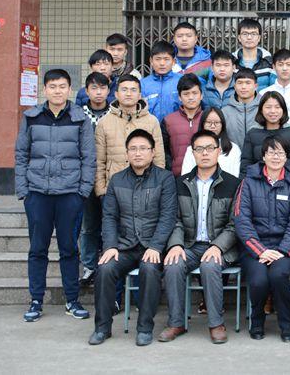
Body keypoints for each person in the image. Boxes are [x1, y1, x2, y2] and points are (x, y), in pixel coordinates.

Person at [15, 69, 96, 323]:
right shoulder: (31, 117)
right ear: (45, 90)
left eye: (62, 86)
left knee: (69, 249)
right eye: (52, 86)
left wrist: (82, 192)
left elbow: (89, 158)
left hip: (70, 194)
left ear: (70, 89)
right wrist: (24, 191)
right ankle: (36, 301)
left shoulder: (80, 118)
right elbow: (21, 155)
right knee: (37, 249)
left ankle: (72, 300)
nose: (57, 91)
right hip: (37, 193)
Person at [89, 130, 177, 346]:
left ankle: (145, 328)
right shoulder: (117, 180)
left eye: (143, 148)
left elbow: (168, 216)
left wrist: (156, 246)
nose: (138, 153)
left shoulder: (165, 178)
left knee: (149, 269)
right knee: (105, 268)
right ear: (127, 153)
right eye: (133, 149)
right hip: (125, 246)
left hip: (152, 246)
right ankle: (102, 328)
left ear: (153, 152)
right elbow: (109, 217)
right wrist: (110, 246)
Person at [159, 130, 240, 344]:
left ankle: (216, 324)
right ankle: (176, 323)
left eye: (210, 148)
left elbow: (234, 224)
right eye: (199, 149)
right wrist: (176, 245)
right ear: (192, 153)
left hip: (221, 247)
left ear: (218, 151)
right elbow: (175, 219)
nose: (205, 153)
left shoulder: (233, 183)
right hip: (190, 245)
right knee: (173, 264)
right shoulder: (180, 183)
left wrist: (217, 246)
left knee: (210, 265)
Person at [234, 136, 290, 341]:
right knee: (258, 280)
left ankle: (286, 324)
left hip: (286, 248)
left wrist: (282, 251)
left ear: (286, 157)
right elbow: (241, 220)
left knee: (278, 274)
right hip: (255, 248)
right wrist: (261, 251)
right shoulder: (248, 182)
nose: (276, 157)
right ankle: (257, 321)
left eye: (281, 153)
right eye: (271, 152)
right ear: (263, 156)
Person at [94, 75, 166, 199]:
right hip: (113, 188)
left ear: (139, 95)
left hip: (146, 188)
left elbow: (159, 158)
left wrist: (157, 186)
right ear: (116, 94)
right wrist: (101, 190)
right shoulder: (104, 122)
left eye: (133, 90)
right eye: (124, 90)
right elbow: (99, 160)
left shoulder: (152, 121)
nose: (128, 94)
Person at [78, 72, 112, 284]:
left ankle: (109, 266)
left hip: (110, 178)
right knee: (89, 226)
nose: (98, 92)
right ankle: (89, 266)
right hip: (87, 177)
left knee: (110, 225)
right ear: (87, 91)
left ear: (109, 90)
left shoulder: (115, 113)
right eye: (94, 88)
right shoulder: (78, 114)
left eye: (102, 88)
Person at [240, 92, 290, 178]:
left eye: (277, 107)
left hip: (289, 182)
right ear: (261, 110)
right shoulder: (252, 133)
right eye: (268, 107)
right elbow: (246, 165)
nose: (273, 111)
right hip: (258, 183)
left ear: (283, 109)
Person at [162, 74, 204, 178]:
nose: (191, 97)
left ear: (201, 95)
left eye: (194, 93)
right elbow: (163, 151)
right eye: (186, 94)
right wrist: (170, 169)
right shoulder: (168, 120)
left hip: (205, 175)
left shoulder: (209, 118)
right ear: (179, 97)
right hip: (177, 177)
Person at [181, 107, 242, 177]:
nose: (213, 126)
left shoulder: (233, 148)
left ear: (222, 124)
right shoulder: (192, 149)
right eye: (209, 122)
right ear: (202, 124)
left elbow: (235, 177)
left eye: (217, 122)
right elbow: (186, 176)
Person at [140, 40, 181, 122]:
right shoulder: (143, 84)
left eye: (166, 59)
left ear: (174, 61)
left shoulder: (182, 81)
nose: (162, 63)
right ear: (151, 61)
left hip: (176, 127)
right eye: (158, 59)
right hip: (149, 127)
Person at [221, 68, 261, 149]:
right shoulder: (225, 112)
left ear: (256, 86)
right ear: (235, 86)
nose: (243, 87)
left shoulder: (264, 109)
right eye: (240, 83)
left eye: (248, 83)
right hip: (233, 155)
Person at [234, 18, 275, 90]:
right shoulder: (232, 61)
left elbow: (274, 87)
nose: (249, 37)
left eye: (253, 34)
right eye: (245, 34)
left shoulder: (269, 62)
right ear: (239, 37)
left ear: (259, 38)